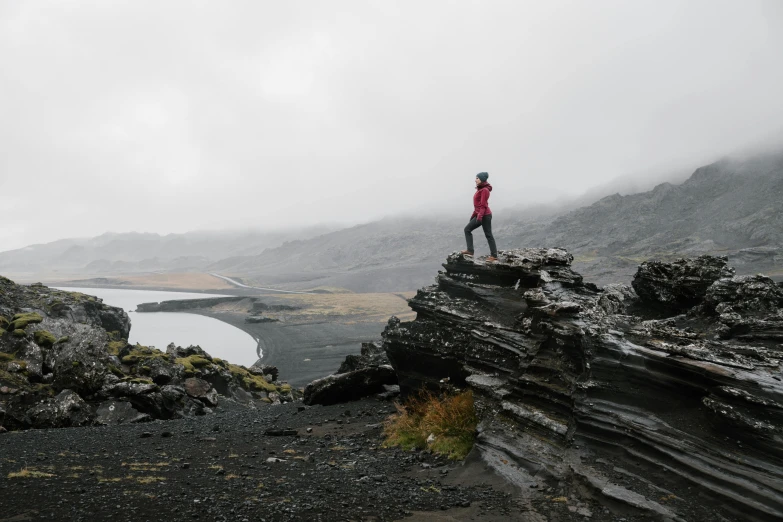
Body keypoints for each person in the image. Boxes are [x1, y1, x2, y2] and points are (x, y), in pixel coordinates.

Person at [462, 172, 498, 261]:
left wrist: (479, 217)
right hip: (480, 214)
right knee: (467, 229)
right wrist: (473, 216)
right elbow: (477, 206)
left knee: (488, 234)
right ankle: (470, 250)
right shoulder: (480, 190)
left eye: (477, 178)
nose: (475, 180)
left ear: (482, 179)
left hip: (485, 215)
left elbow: (483, 205)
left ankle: (494, 256)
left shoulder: (484, 190)